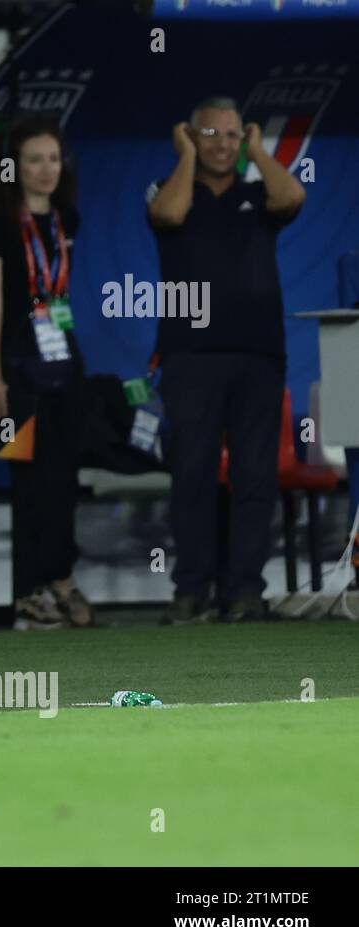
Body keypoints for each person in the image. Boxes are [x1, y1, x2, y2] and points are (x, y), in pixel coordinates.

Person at [146, 96, 306, 623]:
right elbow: (167, 214)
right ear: (192, 137)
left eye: (233, 135)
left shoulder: (259, 194)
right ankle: (191, 590)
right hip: (189, 356)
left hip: (258, 355)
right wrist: (186, 157)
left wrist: (259, 152)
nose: (224, 144)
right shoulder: (171, 190)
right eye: (211, 134)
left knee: (254, 476)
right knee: (191, 474)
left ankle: (244, 591)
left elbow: (293, 196)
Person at [0, 118, 94, 630]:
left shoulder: (67, 219)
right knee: (29, 483)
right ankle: (29, 592)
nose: (46, 170)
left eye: (54, 159)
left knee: (64, 479)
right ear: (14, 168)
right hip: (18, 370)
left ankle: (61, 576)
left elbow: (58, 295)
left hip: (63, 364)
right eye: (34, 160)